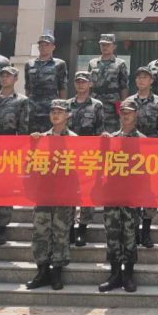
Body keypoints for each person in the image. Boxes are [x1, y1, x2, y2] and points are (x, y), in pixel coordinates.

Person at [27, 99, 76, 291]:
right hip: (43, 193)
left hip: (63, 194)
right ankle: (41, 272)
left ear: (68, 115)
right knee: (40, 232)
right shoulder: (40, 138)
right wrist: (32, 144)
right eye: (53, 111)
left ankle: (56, 273)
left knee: (60, 233)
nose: (55, 114)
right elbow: (30, 163)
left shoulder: (74, 139)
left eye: (60, 111)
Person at [98, 98, 145, 293]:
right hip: (112, 195)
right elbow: (101, 163)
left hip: (131, 197)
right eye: (123, 112)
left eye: (129, 112)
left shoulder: (141, 140)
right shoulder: (111, 138)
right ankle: (115, 274)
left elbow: (147, 171)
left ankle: (128, 275)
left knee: (130, 236)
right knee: (112, 235)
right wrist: (103, 144)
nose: (126, 115)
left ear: (136, 114)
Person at [126, 65, 158, 248]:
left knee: (149, 192)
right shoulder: (129, 101)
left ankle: (146, 231)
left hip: (151, 152)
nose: (141, 80)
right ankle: (134, 230)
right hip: (132, 151)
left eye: (145, 77)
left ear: (151, 81)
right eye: (138, 77)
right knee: (133, 190)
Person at [0, 66, 29, 246]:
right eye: (2, 76)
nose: (4, 78)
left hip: (10, 146)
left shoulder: (22, 101)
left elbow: (23, 128)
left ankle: (1, 227)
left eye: (8, 76)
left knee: (6, 187)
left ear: (15, 79)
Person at [68, 71, 106, 247]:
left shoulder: (97, 105)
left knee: (86, 193)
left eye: (84, 81)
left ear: (90, 84)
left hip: (88, 155)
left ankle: (82, 229)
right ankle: (69, 228)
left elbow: (100, 131)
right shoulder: (66, 105)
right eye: (78, 81)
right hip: (69, 155)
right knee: (69, 192)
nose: (80, 84)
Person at [24, 34, 68, 133]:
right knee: (32, 136)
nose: (43, 47)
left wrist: (63, 108)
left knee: (50, 136)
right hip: (32, 108)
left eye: (47, 45)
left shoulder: (59, 64)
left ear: (53, 47)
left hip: (51, 108)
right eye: (41, 45)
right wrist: (26, 106)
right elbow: (27, 87)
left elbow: (62, 87)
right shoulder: (29, 64)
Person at [87, 33, 129, 133]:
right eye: (102, 44)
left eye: (108, 44)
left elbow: (124, 86)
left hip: (112, 104)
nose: (105, 47)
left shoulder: (120, 63)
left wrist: (123, 104)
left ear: (114, 46)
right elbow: (88, 85)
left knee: (112, 133)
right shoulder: (93, 63)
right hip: (96, 101)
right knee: (94, 130)